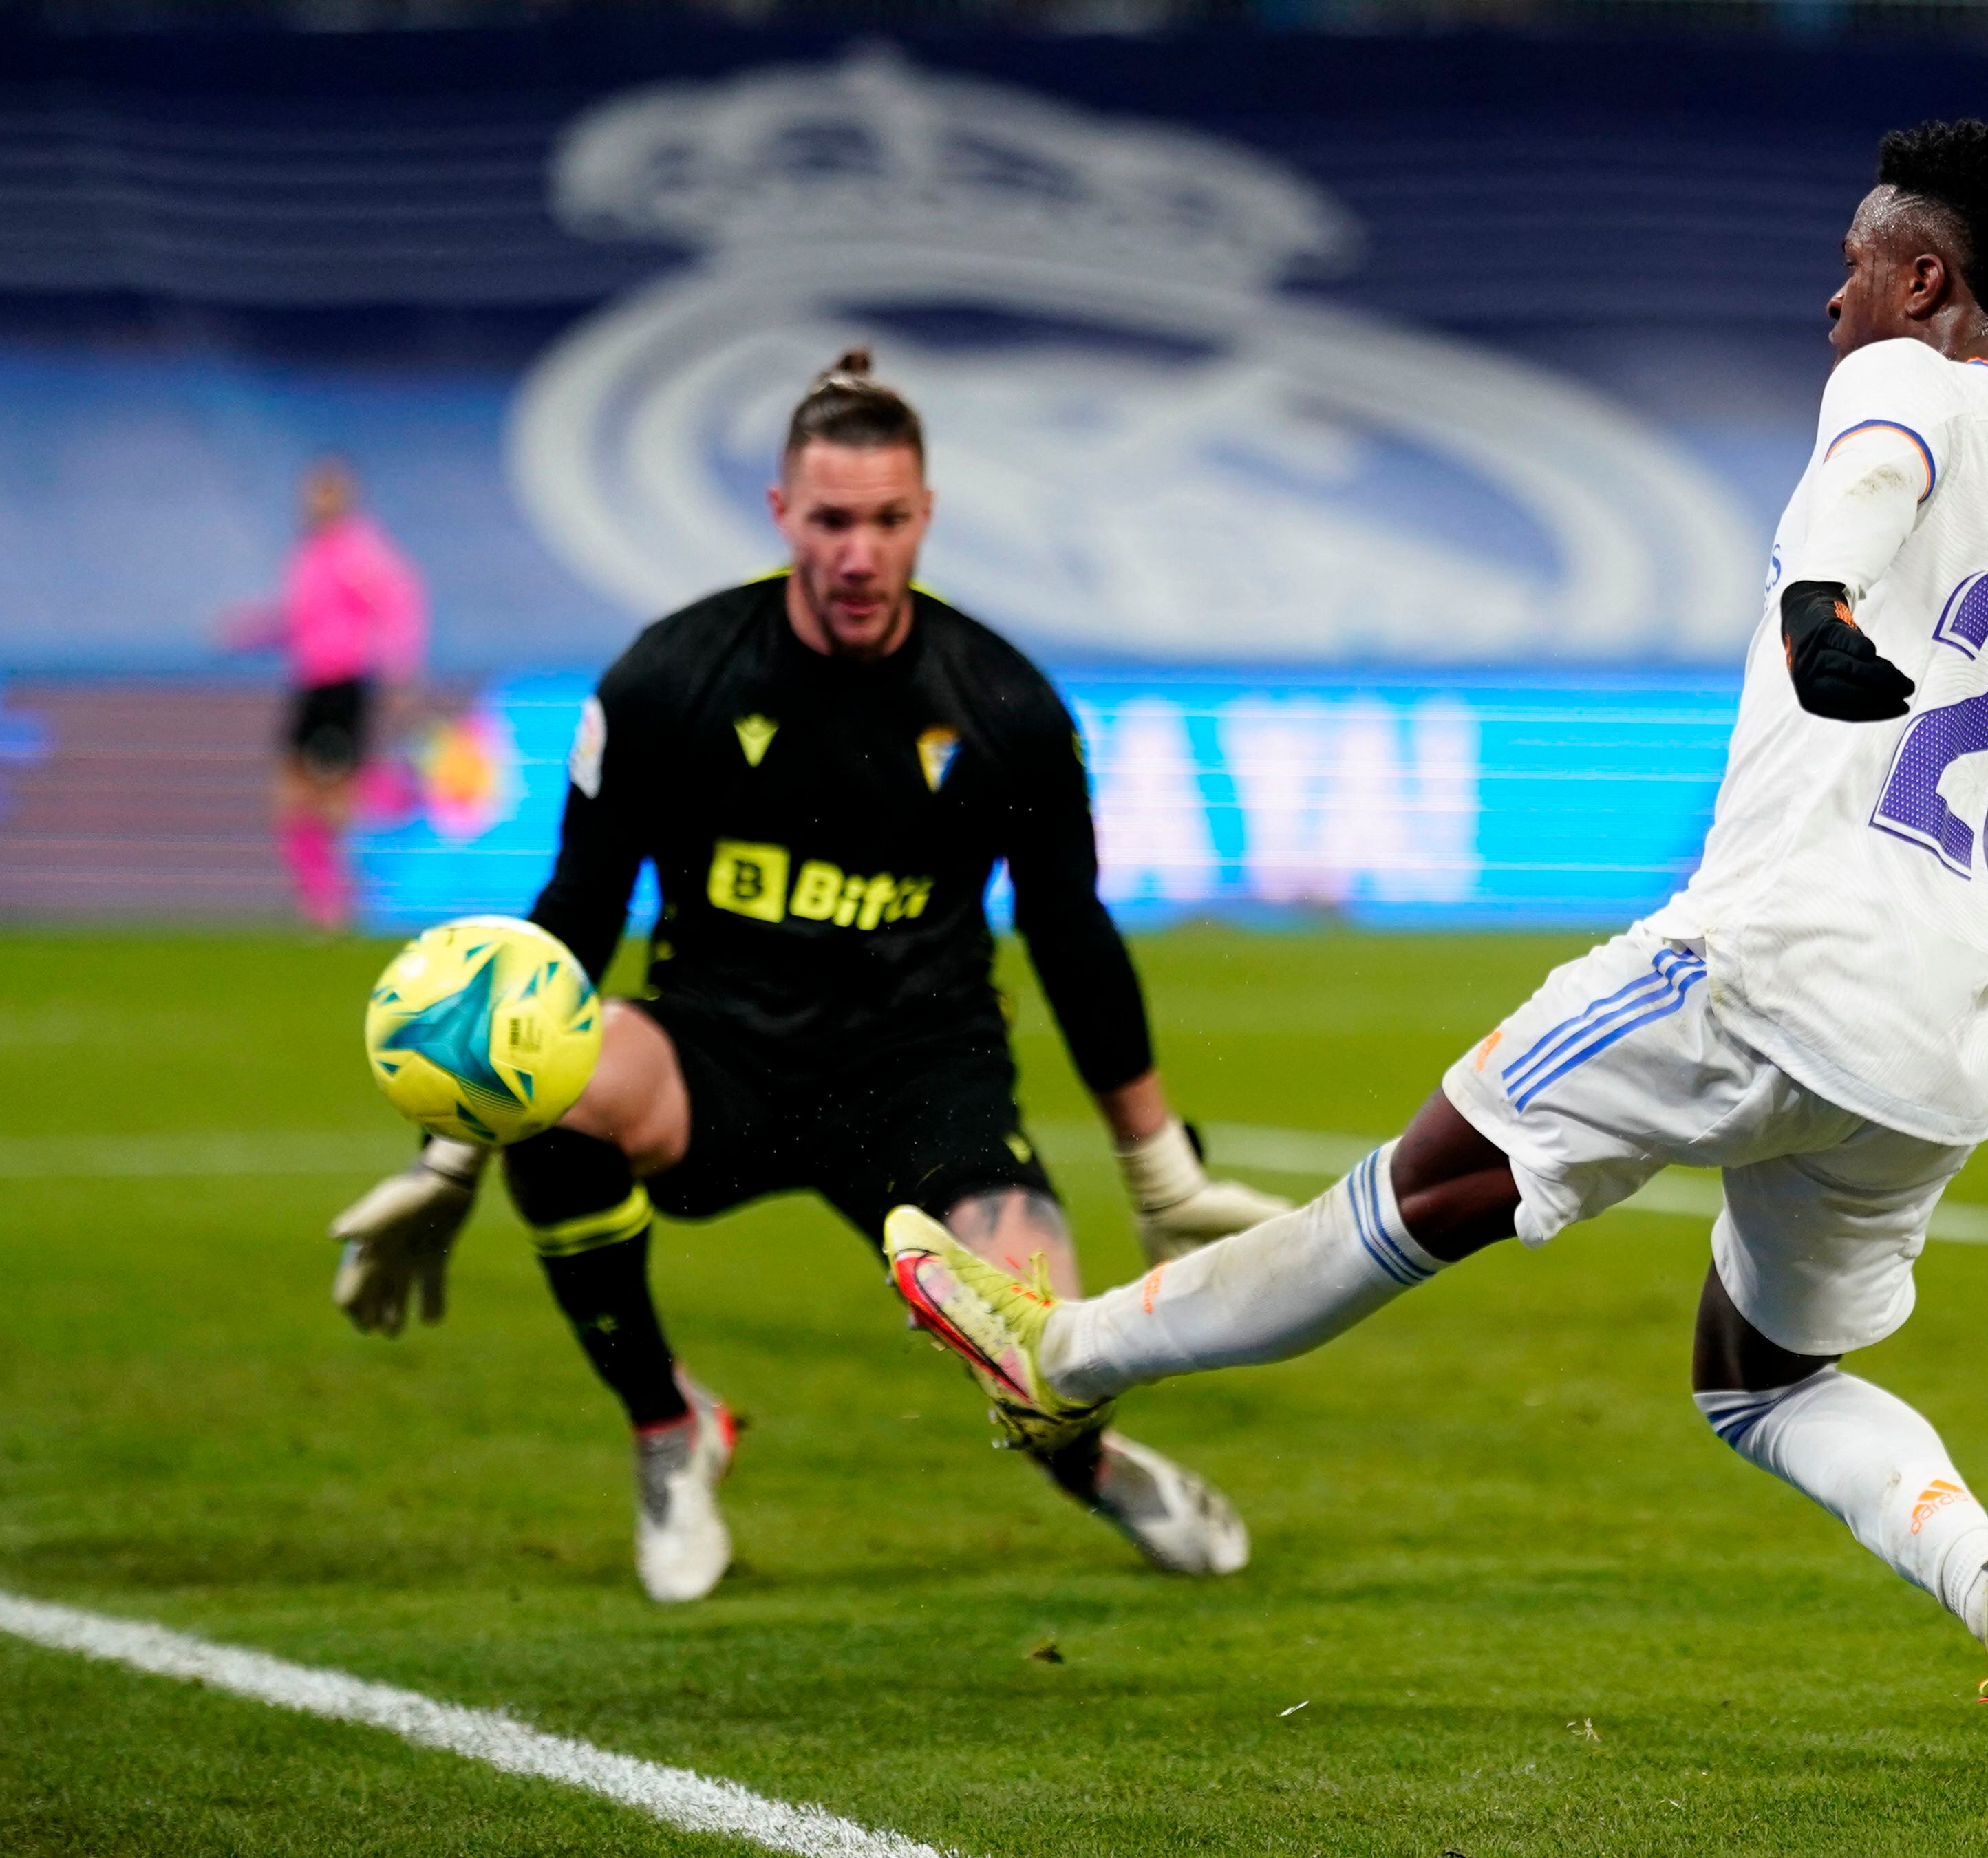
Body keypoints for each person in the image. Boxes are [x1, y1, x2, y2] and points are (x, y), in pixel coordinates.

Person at [882, 121, 1988, 1775]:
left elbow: (1867, 476)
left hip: (1764, 958)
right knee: (1757, 1377)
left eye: (1856, 259)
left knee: (1400, 1201)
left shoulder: (1910, 382)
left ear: (1927, 279)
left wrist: (1811, 610)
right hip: (1936, 1036)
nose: (1829, 292)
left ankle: (1061, 1354)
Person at [325, 349, 1290, 1602]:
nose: (858, 553)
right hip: (712, 1055)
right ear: (782, 515)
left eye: (887, 521)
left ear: (925, 518)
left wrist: (1161, 1167)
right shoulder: (672, 678)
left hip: (920, 1072)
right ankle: (669, 1431)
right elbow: (573, 914)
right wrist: (451, 1152)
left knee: (1047, 1351)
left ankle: (1089, 1466)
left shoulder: (1003, 704)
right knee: (557, 1098)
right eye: (831, 521)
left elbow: (1071, 932)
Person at [220, 459, 427, 930]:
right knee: (297, 797)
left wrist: (398, 670)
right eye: (313, 492)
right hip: (311, 683)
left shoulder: (357, 550)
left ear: (345, 496)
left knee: (325, 799)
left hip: (341, 684)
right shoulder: (310, 553)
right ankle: (326, 899)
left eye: (327, 492)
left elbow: (398, 604)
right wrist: (251, 631)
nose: (317, 501)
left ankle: (391, 807)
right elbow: (300, 619)